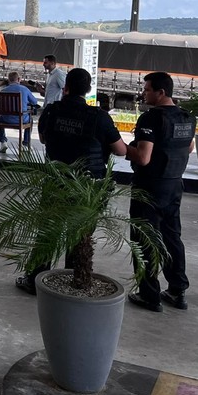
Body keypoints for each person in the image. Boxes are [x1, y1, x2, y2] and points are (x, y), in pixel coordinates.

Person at [12, 68, 127, 295]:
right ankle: (73, 278)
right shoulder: (99, 117)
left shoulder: (52, 111)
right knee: (80, 233)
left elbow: (44, 138)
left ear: (65, 88)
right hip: (88, 185)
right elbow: (121, 150)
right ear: (88, 89)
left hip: (56, 179)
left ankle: (34, 278)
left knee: (47, 230)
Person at [125, 71, 195, 313]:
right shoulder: (186, 117)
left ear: (160, 92)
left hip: (150, 187)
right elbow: (189, 147)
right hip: (174, 185)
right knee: (172, 237)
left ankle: (149, 295)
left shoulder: (151, 118)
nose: (144, 93)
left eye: (147, 89)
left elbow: (143, 158)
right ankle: (177, 291)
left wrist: (124, 148)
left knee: (144, 240)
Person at [0, 71, 39, 152]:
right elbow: (34, 102)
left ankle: (3, 142)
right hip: (21, 119)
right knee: (31, 120)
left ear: (9, 80)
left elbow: (1, 107)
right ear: (18, 79)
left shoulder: (3, 90)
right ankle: (25, 144)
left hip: (6, 119)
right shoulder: (24, 89)